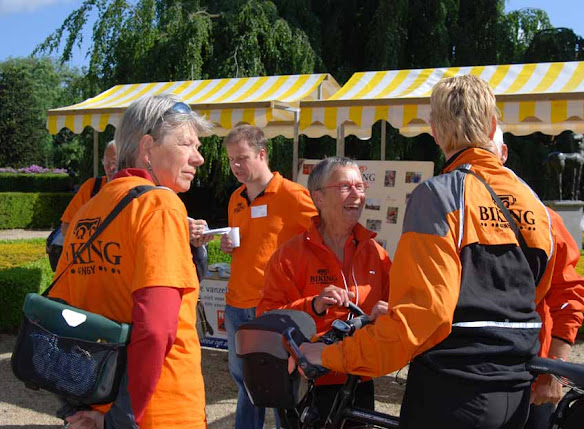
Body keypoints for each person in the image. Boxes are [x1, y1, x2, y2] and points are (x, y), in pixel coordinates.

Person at [300, 74, 557, 428]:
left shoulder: (439, 196)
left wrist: (329, 355)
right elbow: (532, 294)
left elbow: (424, 316)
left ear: (435, 132)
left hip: (452, 391)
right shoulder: (534, 203)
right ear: (492, 126)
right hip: (515, 393)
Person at [49, 94, 212, 429]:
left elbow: (61, 315)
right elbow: (156, 328)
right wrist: (122, 417)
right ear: (148, 147)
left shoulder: (88, 211)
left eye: (197, 147)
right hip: (156, 410)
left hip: (96, 400)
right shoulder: (160, 205)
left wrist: (88, 410)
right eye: (186, 144)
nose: (199, 158)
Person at [190, 125, 317, 429]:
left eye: (242, 158)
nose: (235, 166)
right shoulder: (236, 197)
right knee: (245, 380)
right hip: (237, 303)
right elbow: (249, 243)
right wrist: (226, 245)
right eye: (231, 159)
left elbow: (319, 240)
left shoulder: (292, 195)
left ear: (262, 154)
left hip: (273, 306)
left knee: (281, 382)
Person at [258, 156, 391, 427]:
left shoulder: (377, 254)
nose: (356, 194)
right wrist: (313, 305)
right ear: (318, 197)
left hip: (359, 379)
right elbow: (267, 319)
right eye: (345, 187)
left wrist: (388, 313)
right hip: (310, 383)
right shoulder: (290, 256)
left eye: (360, 186)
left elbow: (396, 306)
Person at [492, 126, 584, 429]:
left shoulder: (545, 219)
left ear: (503, 154)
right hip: (472, 376)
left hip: (531, 376)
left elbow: (570, 294)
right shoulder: (452, 214)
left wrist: (554, 370)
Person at [60, 140, 118, 238]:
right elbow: (66, 227)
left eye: (114, 163)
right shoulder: (91, 187)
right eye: (106, 162)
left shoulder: (135, 190)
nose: (110, 168)